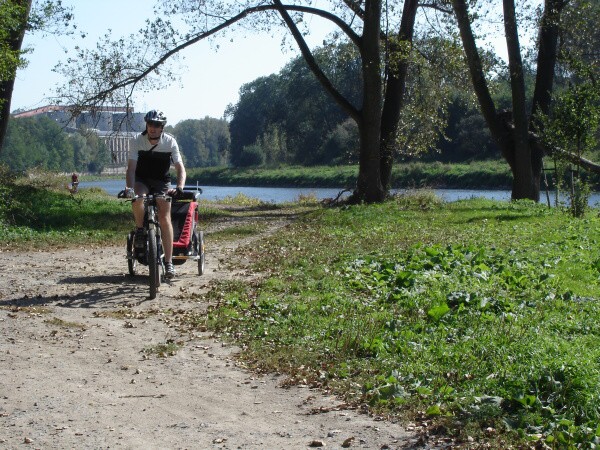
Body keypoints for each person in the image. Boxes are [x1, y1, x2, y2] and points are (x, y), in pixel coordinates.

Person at [125, 109, 186, 280]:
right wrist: (130, 188)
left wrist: (179, 187)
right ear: (146, 124)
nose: (153, 127)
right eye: (150, 124)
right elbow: (131, 169)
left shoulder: (170, 142)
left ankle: (168, 263)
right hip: (142, 179)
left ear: (162, 127)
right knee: (138, 199)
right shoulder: (137, 141)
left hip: (162, 181)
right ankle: (139, 231)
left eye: (157, 125)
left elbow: (180, 169)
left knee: (165, 217)